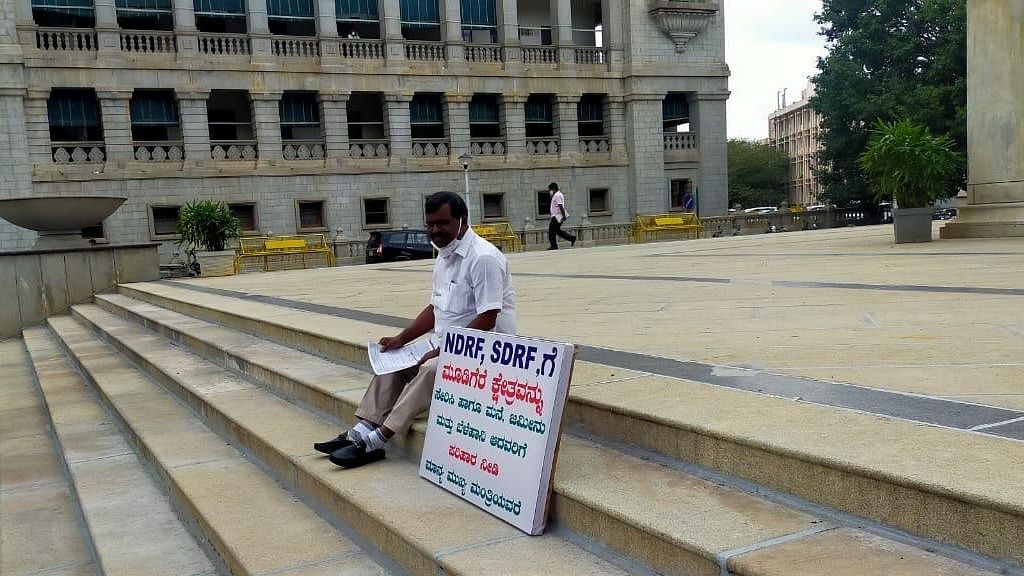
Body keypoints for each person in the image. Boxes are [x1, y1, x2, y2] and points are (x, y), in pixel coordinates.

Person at [314, 191, 517, 468]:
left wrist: (444, 350)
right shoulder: (444, 256)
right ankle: (362, 430)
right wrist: (401, 338)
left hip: (485, 352)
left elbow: (488, 318)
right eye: (430, 224)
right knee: (392, 361)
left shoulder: (483, 258)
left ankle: (378, 439)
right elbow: (435, 309)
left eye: (442, 223)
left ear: (462, 220)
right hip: (449, 345)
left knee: (433, 368)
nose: (435, 230)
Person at [546, 182, 576, 250]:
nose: (549, 191)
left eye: (550, 190)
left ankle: (554, 246)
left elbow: (560, 206)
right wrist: (551, 196)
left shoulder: (557, 195)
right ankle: (571, 238)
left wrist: (564, 216)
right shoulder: (556, 195)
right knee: (557, 231)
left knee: (551, 230)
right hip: (556, 216)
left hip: (557, 216)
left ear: (553, 189)